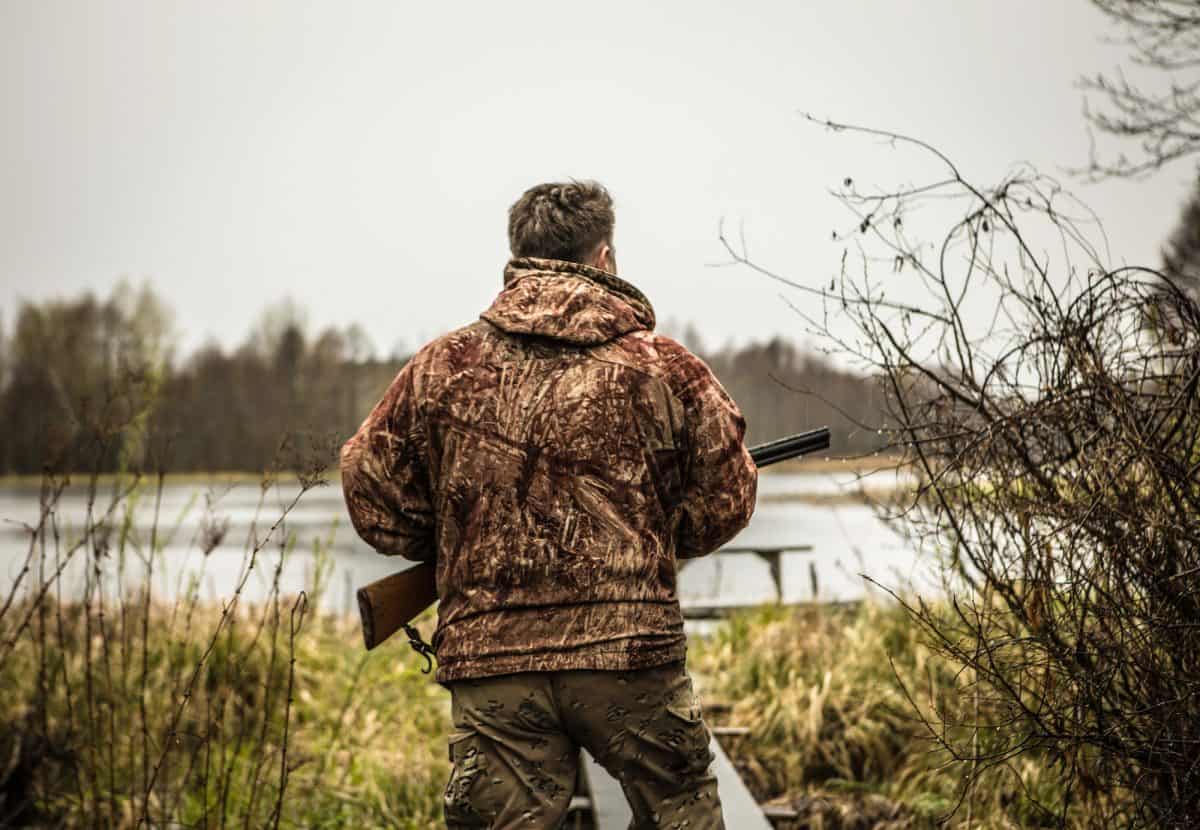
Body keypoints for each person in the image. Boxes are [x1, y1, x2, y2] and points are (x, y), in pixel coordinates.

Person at [340, 180, 758, 829]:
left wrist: (455, 539)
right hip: (629, 658)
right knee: (682, 813)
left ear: (518, 256)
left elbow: (369, 486)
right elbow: (728, 495)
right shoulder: (663, 366)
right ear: (604, 257)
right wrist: (656, 535)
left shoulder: (441, 366)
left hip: (493, 664)